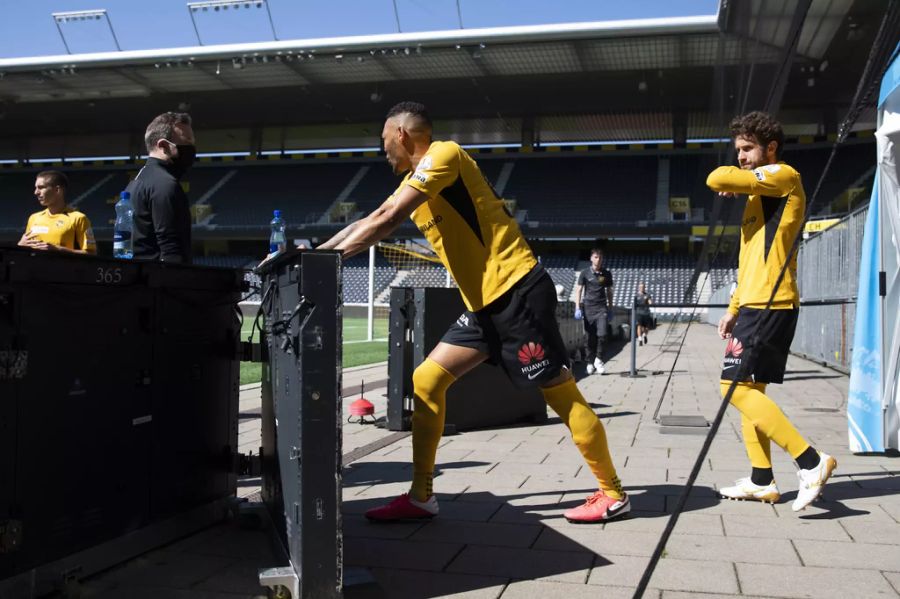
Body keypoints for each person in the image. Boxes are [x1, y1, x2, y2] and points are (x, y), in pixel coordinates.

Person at [320, 102, 629, 523]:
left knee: (561, 394)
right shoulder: (414, 180)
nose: (384, 151)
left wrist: (322, 262)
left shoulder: (444, 154)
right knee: (427, 379)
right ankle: (421, 495)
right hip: (483, 305)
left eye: (384, 141)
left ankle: (612, 493)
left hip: (515, 292)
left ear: (401, 134)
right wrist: (314, 255)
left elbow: (389, 219)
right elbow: (376, 215)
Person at [706, 111, 835, 512]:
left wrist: (735, 178)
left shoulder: (784, 176)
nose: (742, 157)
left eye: (747, 149)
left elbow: (715, 178)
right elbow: (749, 261)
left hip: (772, 305)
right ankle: (762, 480)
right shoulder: (755, 197)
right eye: (738, 151)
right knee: (751, 390)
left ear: (770, 148)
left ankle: (810, 462)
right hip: (754, 304)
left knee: (734, 388)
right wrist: (732, 307)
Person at [127, 111, 196, 263]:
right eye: (187, 143)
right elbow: (171, 249)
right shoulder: (166, 185)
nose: (192, 149)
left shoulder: (135, 182)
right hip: (160, 281)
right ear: (163, 145)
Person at [18, 170, 96, 255]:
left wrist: (58, 250)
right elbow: (24, 251)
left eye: (41, 187)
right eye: (36, 188)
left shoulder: (79, 218)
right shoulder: (34, 218)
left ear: (57, 190)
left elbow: (91, 254)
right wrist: (20, 245)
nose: (36, 192)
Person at [574, 248, 613, 374]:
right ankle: (590, 362)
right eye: (596, 257)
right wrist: (577, 308)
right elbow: (579, 290)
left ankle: (599, 360)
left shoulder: (606, 274)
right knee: (589, 338)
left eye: (600, 257)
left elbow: (609, 291)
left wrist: (611, 308)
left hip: (602, 308)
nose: (598, 259)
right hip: (588, 309)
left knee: (602, 334)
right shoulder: (584, 273)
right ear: (591, 258)